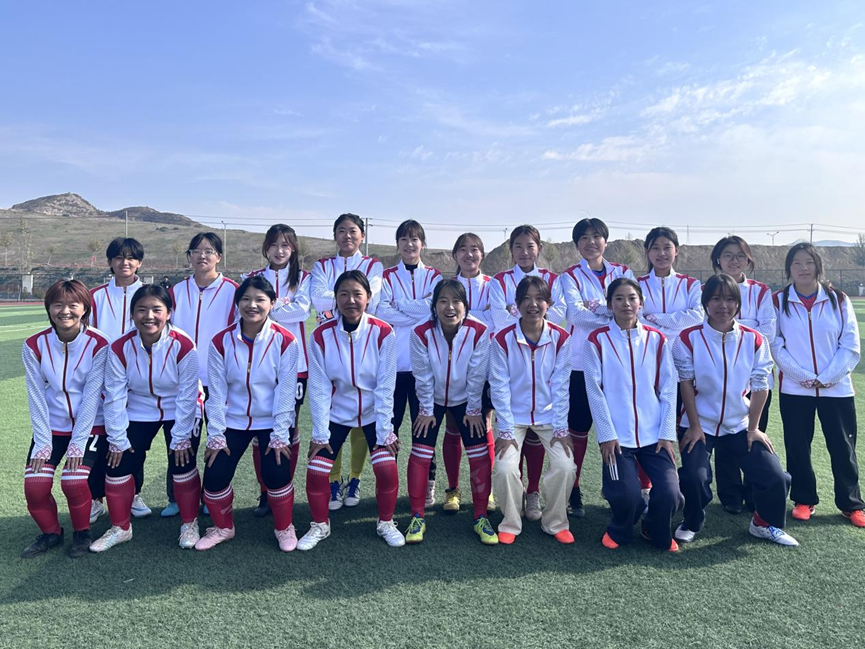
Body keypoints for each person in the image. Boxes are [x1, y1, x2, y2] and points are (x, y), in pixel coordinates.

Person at [673, 274, 798, 546]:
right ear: (705, 303)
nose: (723, 305)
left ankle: (763, 524)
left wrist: (753, 429)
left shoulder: (754, 339)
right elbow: (686, 384)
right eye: (716, 298)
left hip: (739, 425)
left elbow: (761, 385)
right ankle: (691, 521)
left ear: (738, 304)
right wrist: (694, 425)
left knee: (775, 476)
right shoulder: (687, 338)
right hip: (699, 425)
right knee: (694, 477)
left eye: (730, 299)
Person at [90, 285, 202, 552]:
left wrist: (181, 436)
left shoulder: (184, 344)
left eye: (156, 310)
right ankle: (120, 528)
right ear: (132, 314)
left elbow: (188, 394)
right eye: (141, 310)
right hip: (138, 407)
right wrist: (117, 438)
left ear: (168, 313)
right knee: (118, 462)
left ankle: (190, 523)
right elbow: (114, 395)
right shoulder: (119, 347)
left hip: (178, 407)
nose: (149, 316)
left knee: (182, 461)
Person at [298, 270, 403, 550]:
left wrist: (385, 431)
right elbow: (319, 389)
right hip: (337, 414)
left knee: (387, 469)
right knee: (316, 470)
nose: (351, 300)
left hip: (372, 414)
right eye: (343, 294)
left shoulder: (383, 332)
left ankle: (386, 522)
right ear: (335, 299)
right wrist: (320, 435)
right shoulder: (320, 335)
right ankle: (320, 525)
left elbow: (386, 386)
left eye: (357, 294)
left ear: (368, 297)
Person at [196, 276, 300, 551]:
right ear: (237, 303)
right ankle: (223, 527)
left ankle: (284, 527)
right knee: (214, 476)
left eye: (260, 300)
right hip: (234, 420)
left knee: (276, 473)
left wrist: (280, 434)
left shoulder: (285, 340)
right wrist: (216, 434)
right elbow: (216, 391)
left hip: (271, 421)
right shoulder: (220, 341)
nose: (252, 305)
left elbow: (285, 391)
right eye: (245, 299)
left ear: (272, 303)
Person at [584, 277, 680, 552]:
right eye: (618, 298)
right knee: (627, 497)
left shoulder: (657, 339)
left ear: (641, 303)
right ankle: (620, 528)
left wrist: (666, 433)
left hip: (654, 435)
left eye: (631, 298)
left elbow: (668, 388)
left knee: (671, 494)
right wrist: (606, 435)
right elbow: (595, 391)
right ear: (609, 304)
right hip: (618, 437)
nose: (626, 304)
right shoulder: (597, 340)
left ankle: (654, 528)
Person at [772, 243, 864, 527]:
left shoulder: (839, 299)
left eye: (809, 262)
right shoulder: (778, 301)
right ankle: (803, 499)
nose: (803, 268)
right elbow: (775, 344)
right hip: (795, 389)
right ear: (789, 268)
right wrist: (800, 375)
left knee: (843, 447)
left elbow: (850, 344)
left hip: (836, 389)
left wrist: (828, 377)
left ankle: (851, 504)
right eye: (796, 263)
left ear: (818, 266)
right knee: (798, 446)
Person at [21, 280, 109, 558]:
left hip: (91, 426)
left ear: (85, 309)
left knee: (73, 481)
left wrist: (78, 442)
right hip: (52, 427)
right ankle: (51, 533)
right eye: (58, 304)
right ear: (49, 308)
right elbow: (36, 395)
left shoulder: (99, 343)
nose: (65, 311)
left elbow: (92, 395)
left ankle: (82, 533)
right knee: (35, 486)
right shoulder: (33, 344)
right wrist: (42, 441)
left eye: (73, 305)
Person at [407, 279, 496, 544]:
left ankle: (481, 516)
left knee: (479, 455)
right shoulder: (420, 332)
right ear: (434, 306)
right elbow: (422, 375)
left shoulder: (479, 331)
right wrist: (425, 409)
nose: (450, 307)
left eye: (456, 301)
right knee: (420, 453)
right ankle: (417, 516)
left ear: (465, 306)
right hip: (431, 399)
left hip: (466, 399)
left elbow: (477, 374)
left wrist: (474, 409)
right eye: (443, 301)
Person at [489, 225, 566, 522]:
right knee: (506, 461)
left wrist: (519, 311)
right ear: (510, 249)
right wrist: (518, 317)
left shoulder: (554, 280)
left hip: (545, 405)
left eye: (530, 246)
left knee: (560, 460)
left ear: (539, 248)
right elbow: (498, 317)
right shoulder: (499, 280)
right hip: (514, 385)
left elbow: (560, 313)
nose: (524, 252)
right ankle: (512, 512)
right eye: (518, 246)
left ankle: (535, 496)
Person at [490, 276, 574, 545]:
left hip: (549, 416)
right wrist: (505, 430)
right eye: (526, 298)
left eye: (539, 298)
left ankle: (555, 522)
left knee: (565, 465)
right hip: (513, 417)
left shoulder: (561, 338)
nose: (532, 304)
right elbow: (499, 387)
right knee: (504, 468)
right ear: (516, 304)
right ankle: (511, 521)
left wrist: (561, 427)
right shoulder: (502, 339)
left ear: (549, 303)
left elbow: (561, 385)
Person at [559, 217, 634, 518]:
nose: (591, 242)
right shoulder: (570, 275)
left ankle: (615, 488)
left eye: (596, 236)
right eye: (584, 238)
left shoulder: (623, 272)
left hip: (618, 360)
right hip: (581, 362)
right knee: (578, 430)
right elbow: (576, 316)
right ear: (577, 244)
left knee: (616, 429)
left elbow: (633, 308)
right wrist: (613, 313)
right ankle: (573, 489)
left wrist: (599, 309)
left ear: (605, 240)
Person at [310, 213, 384, 511]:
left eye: (353, 231)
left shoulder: (373, 264)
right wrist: (347, 299)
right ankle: (334, 480)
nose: (347, 236)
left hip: (364, 340)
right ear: (335, 235)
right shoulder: (321, 265)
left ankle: (355, 478)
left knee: (362, 413)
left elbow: (373, 300)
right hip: (331, 340)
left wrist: (338, 299)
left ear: (362, 236)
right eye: (341, 231)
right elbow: (317, 299)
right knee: (333, 411)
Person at [165, 232, 237, 518]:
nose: (202, 256)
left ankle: (211, 495)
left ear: (219, 256)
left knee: (218, 440)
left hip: (219, 380)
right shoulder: (176, 291)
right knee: (182, 439)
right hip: (184, 381)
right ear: (189, 257)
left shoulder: (233, 291)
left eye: (209, 251)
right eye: (196, 251)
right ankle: (177, 497)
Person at [242, 224, 311, 518]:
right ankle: (264, 491)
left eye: (285, 245)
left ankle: (282, 488)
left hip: (297, 365)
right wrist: (283, 305)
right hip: (259, 364)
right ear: (266, 248)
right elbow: (246, 312)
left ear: (293, 248)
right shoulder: (252, 278)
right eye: (274, 244)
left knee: (288, 427)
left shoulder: (304, 278)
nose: (279, 250)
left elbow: (303, 311)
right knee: (261, 431)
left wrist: (268, 307)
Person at [377, 219, 442, 506]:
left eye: (414, 239)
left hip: (424, 368)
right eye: (403, 239)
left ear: (422, 243)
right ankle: (387, 485)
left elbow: (432, 310)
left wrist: (400, 304)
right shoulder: (387, 276)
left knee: (424, 430)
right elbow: (382, 310)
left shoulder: (435, 276)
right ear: (398, 244)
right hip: (393, 367)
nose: (409, 244)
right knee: (387, 428)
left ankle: (427, 484)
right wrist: (416, 311)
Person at [635, 227, 703, 502]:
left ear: (677, 251)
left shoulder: (690, 284)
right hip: (646, 361)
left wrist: (659, 319)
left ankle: (683, 483)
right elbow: (636, 318)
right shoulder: (637, 283)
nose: (661, 253)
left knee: (681, 423)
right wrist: (673, 320)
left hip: (685, 363)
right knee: (650, 423)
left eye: (667, 247)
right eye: (655, 248)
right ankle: (646, 486)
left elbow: (697, 316)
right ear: (647, 252)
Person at [709, 236, 775, 514]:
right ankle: (730, 495)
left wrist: (735, 328)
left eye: (740, 256)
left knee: (753, 434)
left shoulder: (761, 291)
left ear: (748, 260)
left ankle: (754, 492)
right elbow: (706, 328)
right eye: (728, 255)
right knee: (724, 438)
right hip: (719, 379)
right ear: (718, 259)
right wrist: (747, 326)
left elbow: (767, 332)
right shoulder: (707, 288)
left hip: (756, 379)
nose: (734, 260)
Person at [89, 237, 151, 520]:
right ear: (110, 262)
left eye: (131, 257)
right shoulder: (95, 296)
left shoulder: (150, 293)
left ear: (139, 262)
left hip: (138, 379)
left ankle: (134, 493)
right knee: (101, 439)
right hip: (101, 378)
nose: (124, 262)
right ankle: (95, 497)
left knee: (133, 439)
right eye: (118, 257)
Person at [443, 233, 496, 513]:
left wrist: (470, 316)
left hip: (485, 366)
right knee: (453, 426)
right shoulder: (447, 286)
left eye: (474, 249)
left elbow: (497, 320)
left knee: (484, 425)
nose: (469, 254)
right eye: (462, 249)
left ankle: (485, 489)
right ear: (455, 255)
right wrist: (481, 314)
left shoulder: (493, 285)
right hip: (451, 366)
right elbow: (441, 319)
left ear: (482, 255)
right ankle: (452, 489)